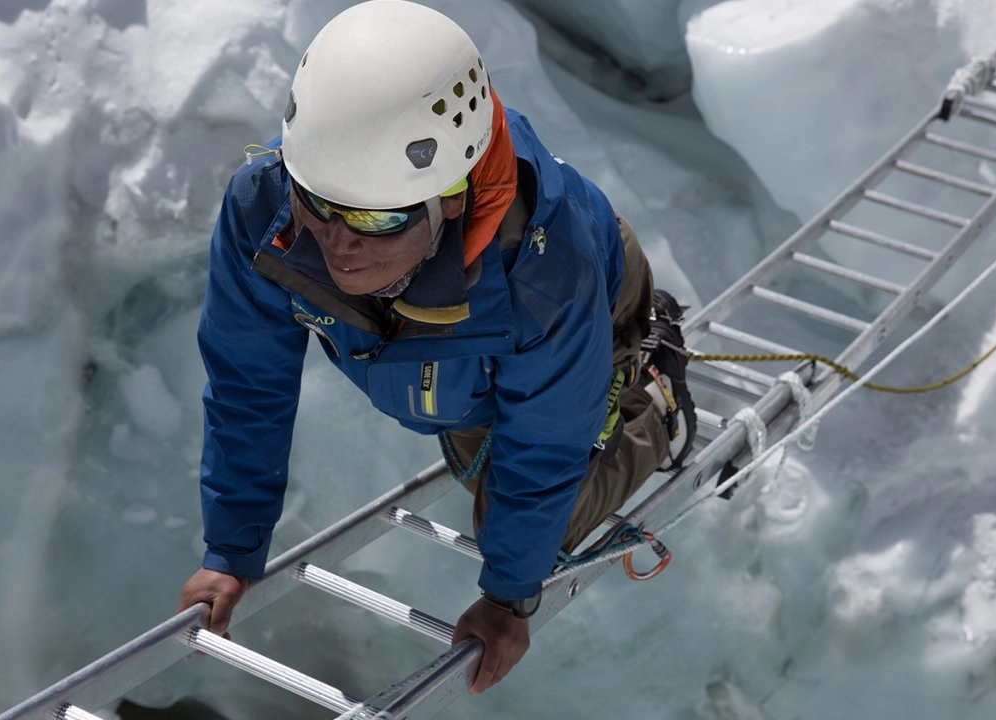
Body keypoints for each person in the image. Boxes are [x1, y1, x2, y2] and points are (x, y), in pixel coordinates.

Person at [176, 0, 697, 695]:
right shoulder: (265, 209)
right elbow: (248, 385)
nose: (337, 242)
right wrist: (231, 550)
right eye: (319, 203)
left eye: (374, 218)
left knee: (535, 517)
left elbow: (544, 446)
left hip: (594, 294)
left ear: (451, 199)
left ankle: (654, 402)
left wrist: (510, 597)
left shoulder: (545, 273)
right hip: (447, 348)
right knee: (475, 438)